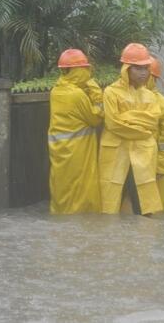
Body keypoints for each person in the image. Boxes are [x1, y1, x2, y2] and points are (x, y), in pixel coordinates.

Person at [98, 43, 162, 215]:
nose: (143, 73)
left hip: (142, 154)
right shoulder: (111, 92)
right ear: (126, 68)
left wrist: (126, 118)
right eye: (138, 68)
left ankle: (144, 238)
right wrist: (140, 124)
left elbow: (152, 122)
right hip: (116, 153)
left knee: (143, 204)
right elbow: (113, 123)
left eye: (146, 68)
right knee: (112, 201)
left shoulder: (150, 96)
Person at [48, 49, 104, 214]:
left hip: (59, 151)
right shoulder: (76, 95)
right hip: (78, 152)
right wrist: (96, 94)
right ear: (78, 71)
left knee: (62, 187)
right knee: (80, 189)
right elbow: (96, 118)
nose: (87, 73)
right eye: (85, 69)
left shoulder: (56, 91)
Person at [146, 57, 164, 211]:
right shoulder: (127, 98)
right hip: (136, 162)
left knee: (156, 208)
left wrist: (162, 168)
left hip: (156, 165)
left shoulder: (163, 105)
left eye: (146, 72)